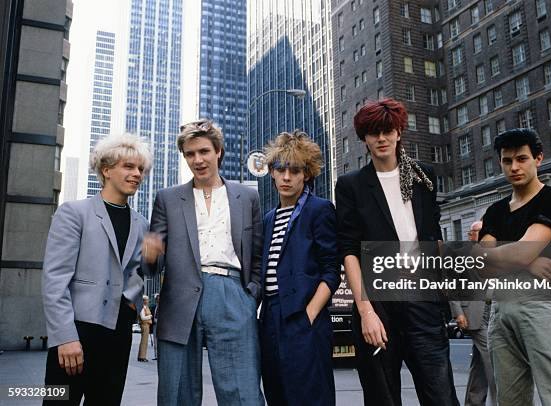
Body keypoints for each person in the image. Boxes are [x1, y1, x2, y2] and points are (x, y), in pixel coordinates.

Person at [335, 98, 459, 405]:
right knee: (382, 397)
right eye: (373, 132)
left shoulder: (423, 177)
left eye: (387, 130)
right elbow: (349, 251)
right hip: (378, 302)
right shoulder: (352, 185)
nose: (381, 138)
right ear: (364, 138)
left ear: (398, 132)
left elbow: (433, 238)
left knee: (441, 395)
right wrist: (366, 312)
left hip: (421, 297)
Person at [142, 119, 264, 405]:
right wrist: (150, 255)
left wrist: (251, 295)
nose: (197, 160)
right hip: (179, 297)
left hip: (232, 294)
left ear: (218, 151)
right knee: (177, 390)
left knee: (242, 390)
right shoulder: (167, 199)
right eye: (190, 154)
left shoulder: (247, 197)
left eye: (204, 151)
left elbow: (256, 255)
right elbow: (151, 267)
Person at [475, 128, 551, 405]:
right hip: (500, 310)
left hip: (540, 307)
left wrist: (520, 256)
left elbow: (515, 253)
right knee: (509, 400)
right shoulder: (495, 211)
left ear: (538, 159)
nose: (514, 167)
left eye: (522, 159)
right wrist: (530, 262)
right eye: (507, 160)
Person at [42, 134, 152, 405]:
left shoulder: (142, 224)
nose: (137, 174)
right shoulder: (73, 213)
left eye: (140, 169)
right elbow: (55, 280)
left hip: (118, 335)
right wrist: (65, 338)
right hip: (76, 333)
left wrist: (133, 304)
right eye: (128, 166)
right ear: (106, 170)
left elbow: (137, 274)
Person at [260, 131, 341, 405]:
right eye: (280, 169)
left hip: (303, 316)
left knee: (309, 395)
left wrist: (310, 314)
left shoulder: (319, 210)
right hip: (271, 316)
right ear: (271, 173)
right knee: (277, 392)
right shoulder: (269, 218)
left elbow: (331, 270)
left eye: (294, 171)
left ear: (306, 174)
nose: (286, 177)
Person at [449, 221, 496, 406]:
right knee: (493, 359)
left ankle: (473, 402)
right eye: (480, 232)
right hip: (473, 314)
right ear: (471, 235)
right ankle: (502, 400)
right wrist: (458, 313)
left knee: (479, 365)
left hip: (493, 311)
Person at [138, 295, 153, 362]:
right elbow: (143, 318)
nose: (147, 301)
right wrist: (150, 316)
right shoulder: (142, 308)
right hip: (144, 325)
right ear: (144, 301)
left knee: (144, 341)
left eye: (147, 300)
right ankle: (142, 357)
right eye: (146, 300)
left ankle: (141, 356)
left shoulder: (145, 307)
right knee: (144, 341)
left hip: (146, 325)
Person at [150, 293, 159, 360]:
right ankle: (156, 356)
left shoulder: (163, 307)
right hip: (155, 325)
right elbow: (151, 316)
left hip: (161, 326)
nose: (157, 300)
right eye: (156, 299)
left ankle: (160, 355)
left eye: (158, 299)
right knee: (155, 341)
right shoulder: (153, 307)